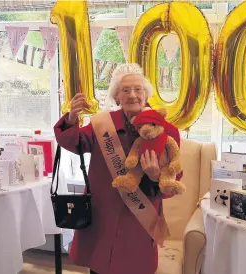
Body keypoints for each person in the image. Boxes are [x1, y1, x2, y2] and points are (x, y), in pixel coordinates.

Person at [54, 63, 182, 274]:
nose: (132, 95)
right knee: (100, 268)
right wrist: (71, 119)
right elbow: (75, 142)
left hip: (139, 221)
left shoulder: (166, 130)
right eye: (125, 90)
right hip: (102, 217)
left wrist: (155, 175)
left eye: (138, 89)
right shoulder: (102, 124)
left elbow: (173, 181)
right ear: (116, 97)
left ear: (146, 94)